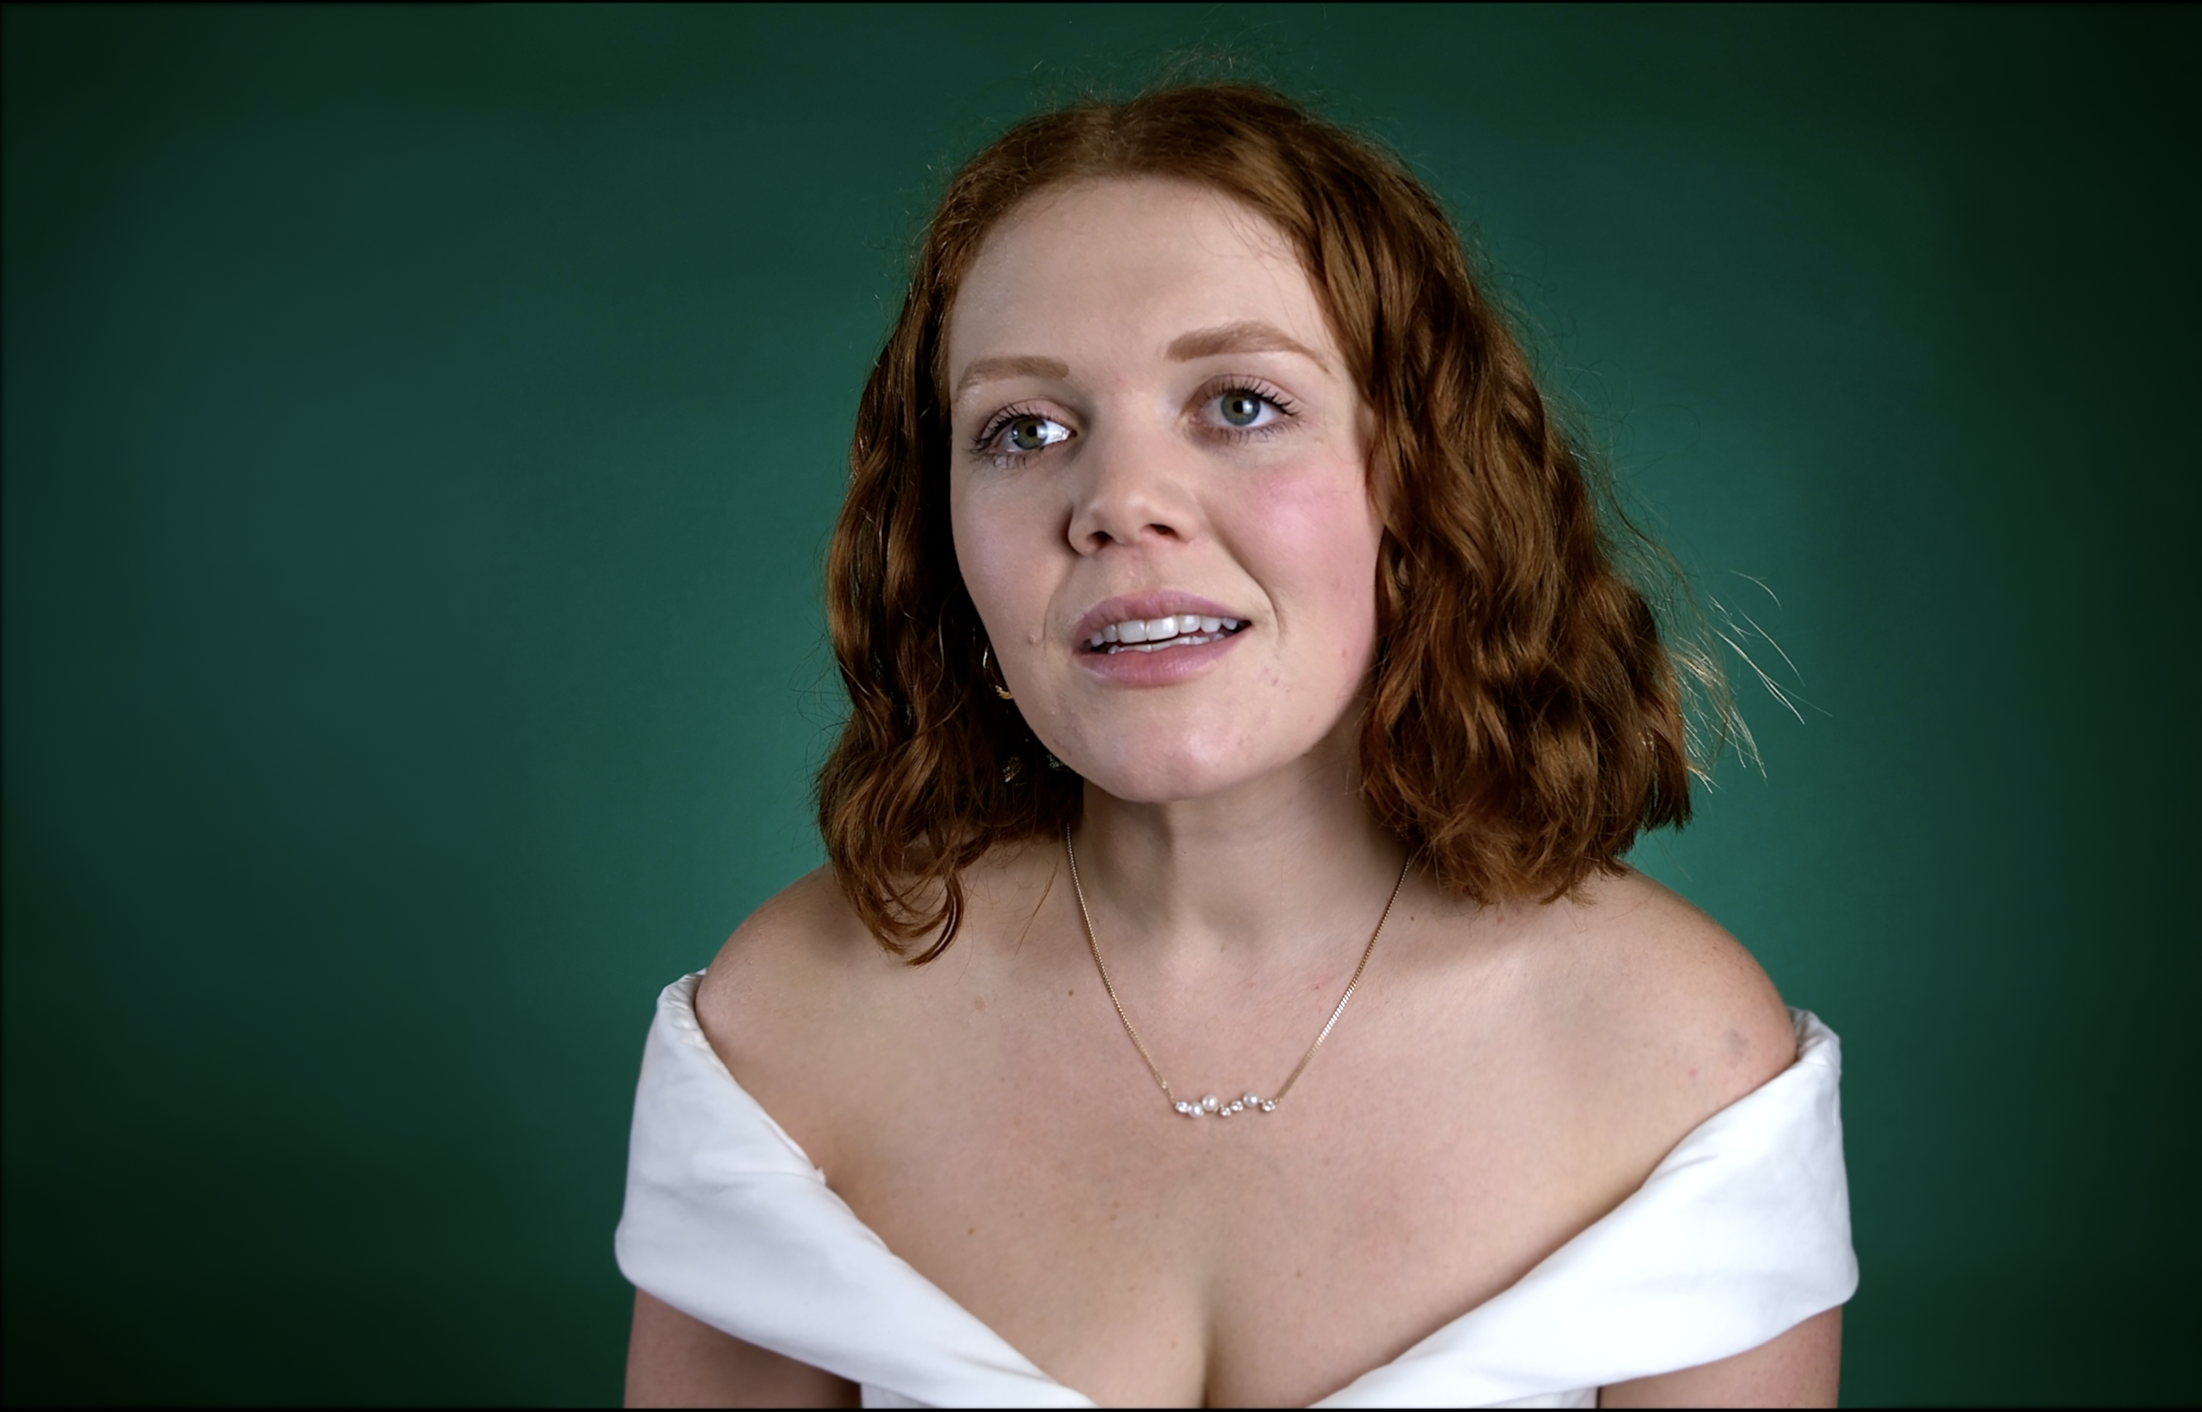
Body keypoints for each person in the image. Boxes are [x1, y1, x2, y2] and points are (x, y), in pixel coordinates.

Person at [616, 82, 1854, 1409]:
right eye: (1022, 430)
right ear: (944, 530)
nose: (1120, 502)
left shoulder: (1679, 1061)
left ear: (1418, 479)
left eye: (1242, 404)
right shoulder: (791, 1029)